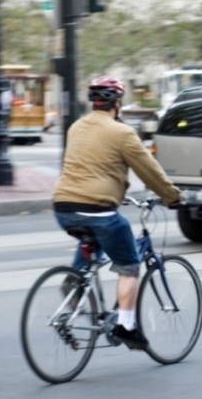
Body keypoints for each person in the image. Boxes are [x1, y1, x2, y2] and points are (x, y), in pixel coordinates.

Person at [52, 76, 182, 351]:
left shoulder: (76, 127)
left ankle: (75, 281)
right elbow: (149, 170)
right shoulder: (121, 132)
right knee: (129, 264)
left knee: (95, 238)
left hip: (63, 207)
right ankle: (126, 326)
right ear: (117, 103)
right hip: (97, 209)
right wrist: (172, 197)